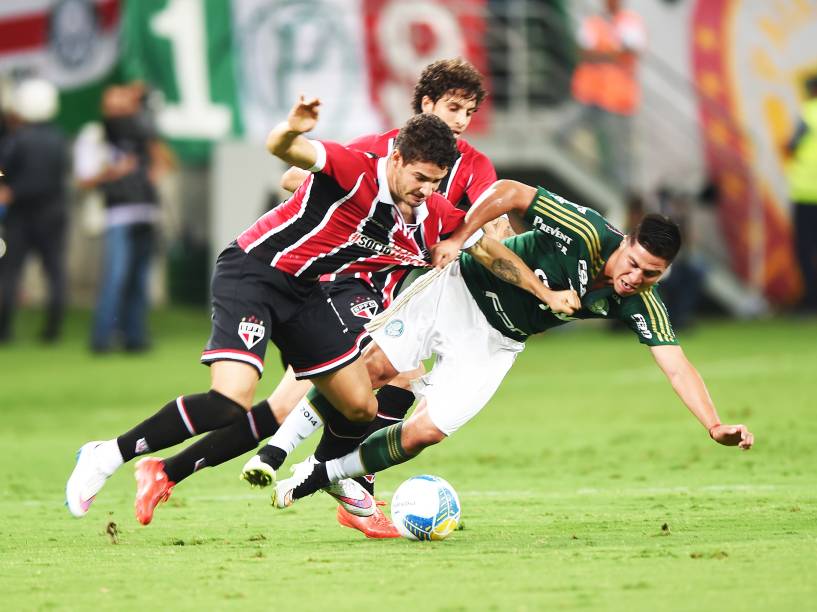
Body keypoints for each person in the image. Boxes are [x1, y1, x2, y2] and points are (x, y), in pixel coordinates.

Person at [65, 97, 554, 526]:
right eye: (420, 178)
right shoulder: (352, 166)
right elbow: (286, 151)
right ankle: (109, 455)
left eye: (436, 182)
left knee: (360, 405)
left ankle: (331, 475)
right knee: (229, 401)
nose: (426, 190)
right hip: (255, 272)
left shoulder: (430, 212)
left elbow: (488, 248)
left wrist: (542, 292)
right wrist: (293, 127)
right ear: (397, 158)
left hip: (307, 295)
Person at [268, 180, 754, 510]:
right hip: (458, 286)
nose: (635, 278)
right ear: (625, 241)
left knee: (427, 433)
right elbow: (509, 192)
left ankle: (326, 472)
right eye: (634, 263)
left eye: (651, 274)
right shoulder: (584, 229)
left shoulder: (641, 302)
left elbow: (677, 366)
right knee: (370, 370)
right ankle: (276, 450)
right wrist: (460, 235)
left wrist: (713, 425)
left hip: (498, 341)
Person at [240, 57, 509, 537]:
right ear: (426, 104)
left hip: (399, 296)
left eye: (469, 111)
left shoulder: (473, 165)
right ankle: (225, 463)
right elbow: (290, 177)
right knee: (302, 399)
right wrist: (360, 214)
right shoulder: (386, 151)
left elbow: (495, 221)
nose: (462, 120)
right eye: (453, 107)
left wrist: (488, 236)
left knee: (400, 379)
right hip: (342, 285)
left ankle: (341, 477)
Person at [74, 81, 171, 352]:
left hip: (146, 211)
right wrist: (114, 171)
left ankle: (135, 338)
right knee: (115, 277)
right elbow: (84, 179)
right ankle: (102, 338)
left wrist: (152, 165)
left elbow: (165, 161)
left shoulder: (142, 132)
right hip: (117, 212)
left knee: (140, 280)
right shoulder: (96, 135)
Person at [0, 78, 70, 343]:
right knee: (55, 272)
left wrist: (10, 188)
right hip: (53, 212)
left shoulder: (18, 139)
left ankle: (4, 330)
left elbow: (3, 171)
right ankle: (53, 330)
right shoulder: (59, 139)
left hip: (20, 215)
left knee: (10, 273)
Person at [559, 0, 646, 191]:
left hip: (619, 99)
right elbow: (584, 51)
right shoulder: (594, 22)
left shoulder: (630, 22)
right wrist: (613, 54)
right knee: (563, 133)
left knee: (619, 154)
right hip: (591, 94)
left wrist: (601, 53)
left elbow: (630, 52)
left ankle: (622, 194)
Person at [784, 74, 817, 313]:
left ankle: (811, 299)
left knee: (805, 249)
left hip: (806, 192)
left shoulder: (808, 113)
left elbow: (793, 145)